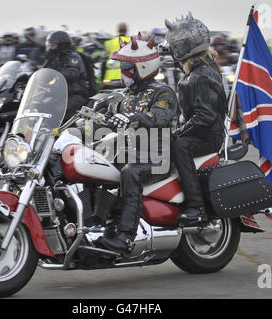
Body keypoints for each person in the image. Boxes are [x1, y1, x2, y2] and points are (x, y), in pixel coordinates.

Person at [94, 34, 178, 253]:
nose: (122, 71)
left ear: (143, 67)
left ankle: (125, 237)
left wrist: (134, 119)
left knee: (131, 173)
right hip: (129, 152)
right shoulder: (126, 94)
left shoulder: (163, 93)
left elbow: (159, 117)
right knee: (95, 164)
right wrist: (93, 113)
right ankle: (96, 223)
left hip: (157, 156)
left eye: (126, 67)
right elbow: (105, 112)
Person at [165, 12, 227, 223]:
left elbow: (205, 116)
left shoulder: (200, 76)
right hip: (206, 130)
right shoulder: (204, 66)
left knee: (178, 146)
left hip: (209, 135)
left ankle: (195, 206)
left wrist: (177, 133)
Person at [43, 30, 91, 121]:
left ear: (62, 45)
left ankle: (68, 131)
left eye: (53, 45)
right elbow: (44, 73)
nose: (50, 48)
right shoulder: (56, 57)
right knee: (42, 106)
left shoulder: (73, 57)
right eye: (50, 45)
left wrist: (55, 67)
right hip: (61, 95)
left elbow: (71, 74)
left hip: (76, 94)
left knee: (59, 110)